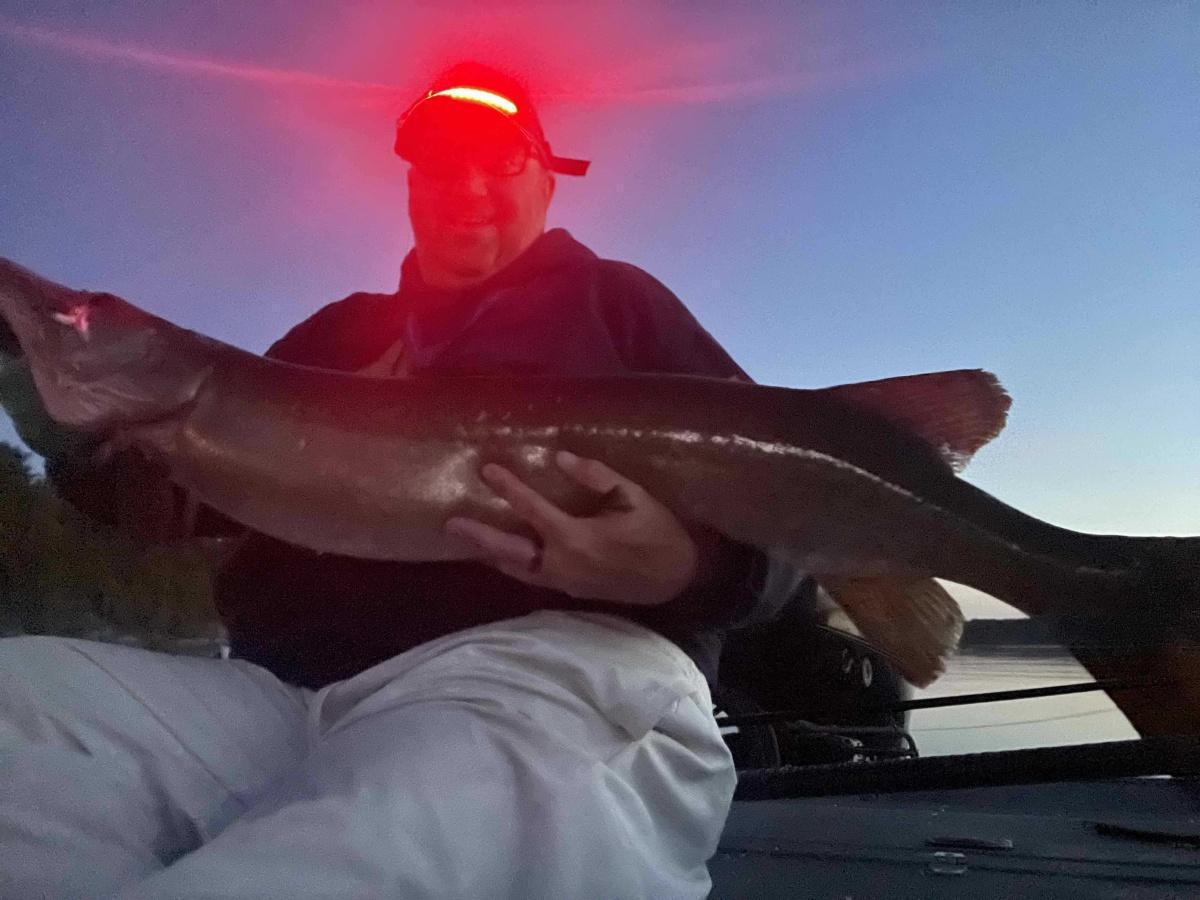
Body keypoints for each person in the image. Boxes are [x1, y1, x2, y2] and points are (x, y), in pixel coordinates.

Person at [0, 62, 800, 898]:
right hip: (281, 698)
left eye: (501, 159)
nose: (468, 186)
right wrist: (49, 398)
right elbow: (171, 504)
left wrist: (685, 566)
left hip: (549, 673)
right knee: (20, 707)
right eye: (441, 164)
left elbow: (791, 519)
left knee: (383, 840)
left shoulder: (621, 306)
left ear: (550, 178)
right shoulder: (335, 333)